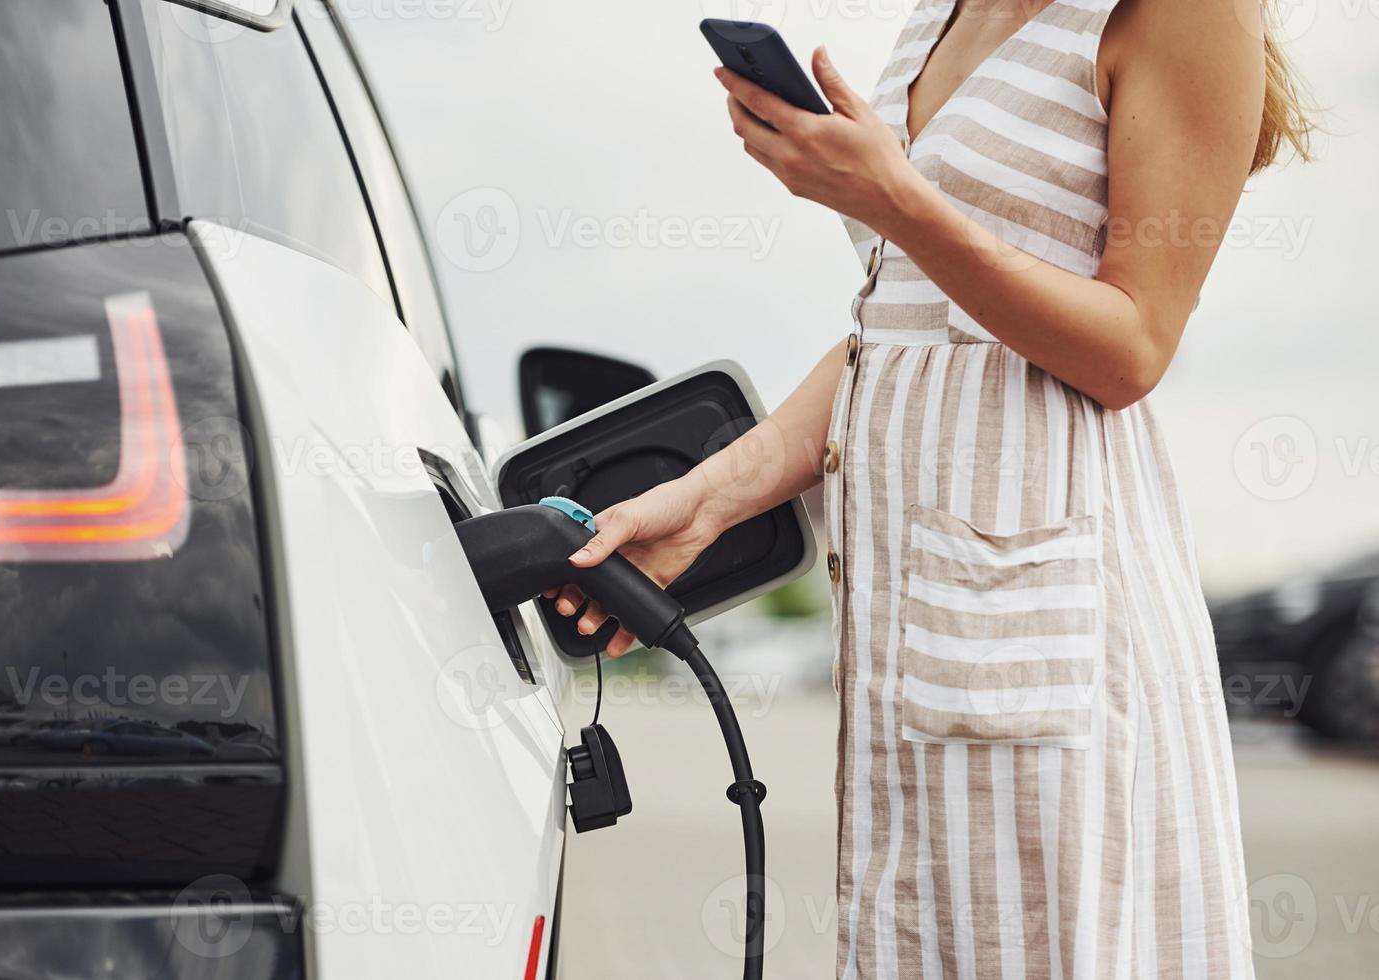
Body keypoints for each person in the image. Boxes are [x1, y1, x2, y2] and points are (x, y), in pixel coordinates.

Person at [547, 1, 1312, 976]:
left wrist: (894, 197)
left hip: (1056, 642)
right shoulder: (942, 15)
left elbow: (1134, 343)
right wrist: (708, 498)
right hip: (909, 637)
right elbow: (900, 328)